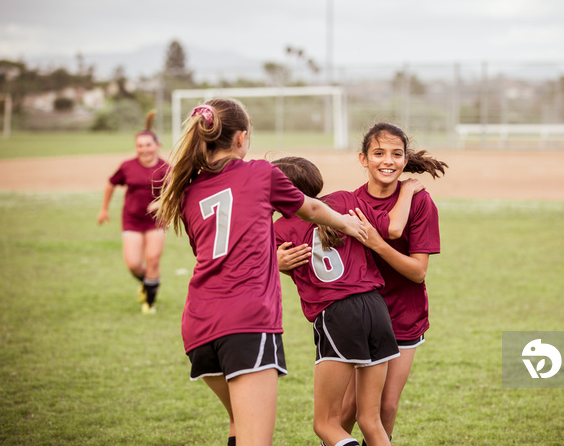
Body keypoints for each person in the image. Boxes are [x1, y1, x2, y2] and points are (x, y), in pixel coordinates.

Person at [152, 99, 367, 446]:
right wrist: (346, 223)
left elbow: (217, 254)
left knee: (240, 424)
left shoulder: (188, 192)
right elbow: (309, 207)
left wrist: (271, 260)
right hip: (246, 323)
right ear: (240, 138)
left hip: (198, 327)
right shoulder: (261, 173)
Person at [279, 123, 447, 442]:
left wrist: (379, 243)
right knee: (345, 413)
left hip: (402, 316)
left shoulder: (421, 203)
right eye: (379, 153)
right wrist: (283, 265)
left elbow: (418, 272)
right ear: (363, 159)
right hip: (364, 311)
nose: (388, 160)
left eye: (396, 154)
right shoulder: (347, 201)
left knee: (383, 408)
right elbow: (317, 257)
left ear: (405, 158)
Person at [97, 110, 169, 314]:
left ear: (157, 146)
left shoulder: (166, 169)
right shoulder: (127, 167)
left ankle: (149, 303)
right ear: (135, 148)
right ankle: (148, 282)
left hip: (156, 221)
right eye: (140, 145)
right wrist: (104, 209)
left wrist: (161, 202)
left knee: (153, 259)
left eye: (148, 145)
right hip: (132, 220)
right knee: (133, 264)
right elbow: (111, 184)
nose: (144, 149)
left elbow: (175, 192)